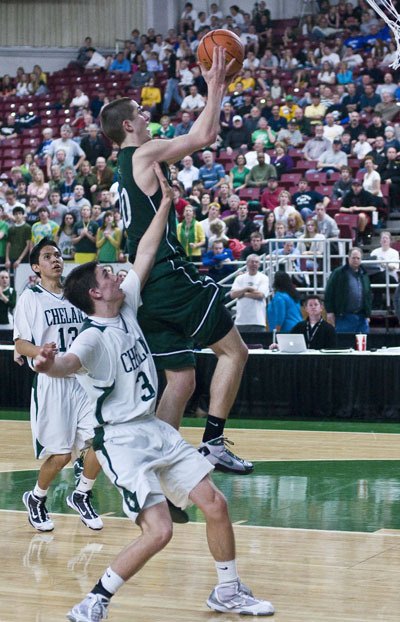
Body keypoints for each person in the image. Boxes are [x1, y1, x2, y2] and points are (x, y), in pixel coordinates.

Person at [34, 163, 274, 622]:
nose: (117, 276)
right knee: (159, 531)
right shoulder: (91, 337)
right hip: (121, 440)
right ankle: (94, 599)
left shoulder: (128, 307)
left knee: (215, 504)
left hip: (153, 429)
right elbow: (67, 364)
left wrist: (164, 206)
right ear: (95, 295)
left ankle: (228, 591)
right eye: (107, 274)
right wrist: (48, 364)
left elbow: (145, 251)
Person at [99, 48, 252, 473]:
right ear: (128, 125)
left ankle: (155, 460)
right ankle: (214, 442)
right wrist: (215, 87)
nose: (148, 117)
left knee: (181, 380)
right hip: (168, 274)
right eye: (141, 114)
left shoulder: (121, 168)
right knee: (235, 353)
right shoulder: (143, 155)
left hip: (144, 284)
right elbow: (203, 137)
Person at [13, 238, 102, 533]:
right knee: (62, 455)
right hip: (53, 382)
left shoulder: (77, 295)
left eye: (59, 255)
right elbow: (21, 342)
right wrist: (38, 352)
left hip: (83, 380)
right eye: (48, 256)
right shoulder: (31, 298)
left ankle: (82, 494)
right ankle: (36, 498)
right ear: (36, 267)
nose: (56, 260)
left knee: (100, 443)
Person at [325, 247, 372, 333]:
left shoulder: (364, 274)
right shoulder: (338, 273)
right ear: (348, 258)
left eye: (358, 258)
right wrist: (330, 311)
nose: (356, 260)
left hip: (361, 317)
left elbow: (368, 294)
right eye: (353, 258)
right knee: (343, 343)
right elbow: (329, 292)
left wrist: (367, 314)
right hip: (343, 316)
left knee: (363, 345)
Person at [230, 254, 269, 333]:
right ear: (247, 263)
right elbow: (233, 295)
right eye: (251, 262)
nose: (254, 264)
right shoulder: (240, 278)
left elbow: (261, 295)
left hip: (258, 321)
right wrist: (247, 288)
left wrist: (242, 294)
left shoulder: (263, 278)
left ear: (259, 265)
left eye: (256, 262)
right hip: (240, 321)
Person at [369, 231, 399, 308]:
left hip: (390, 277)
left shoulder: (394, 253)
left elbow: (394, 267)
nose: (384, 240)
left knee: (379, 276)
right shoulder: (374, 252)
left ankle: (376, 304)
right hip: (376, 276)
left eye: (386, 238)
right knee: (376, 277)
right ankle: (377, 303)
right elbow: (370, 266)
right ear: (380, 240)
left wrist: (384, 264)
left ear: (390, 241)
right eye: (383, 238)